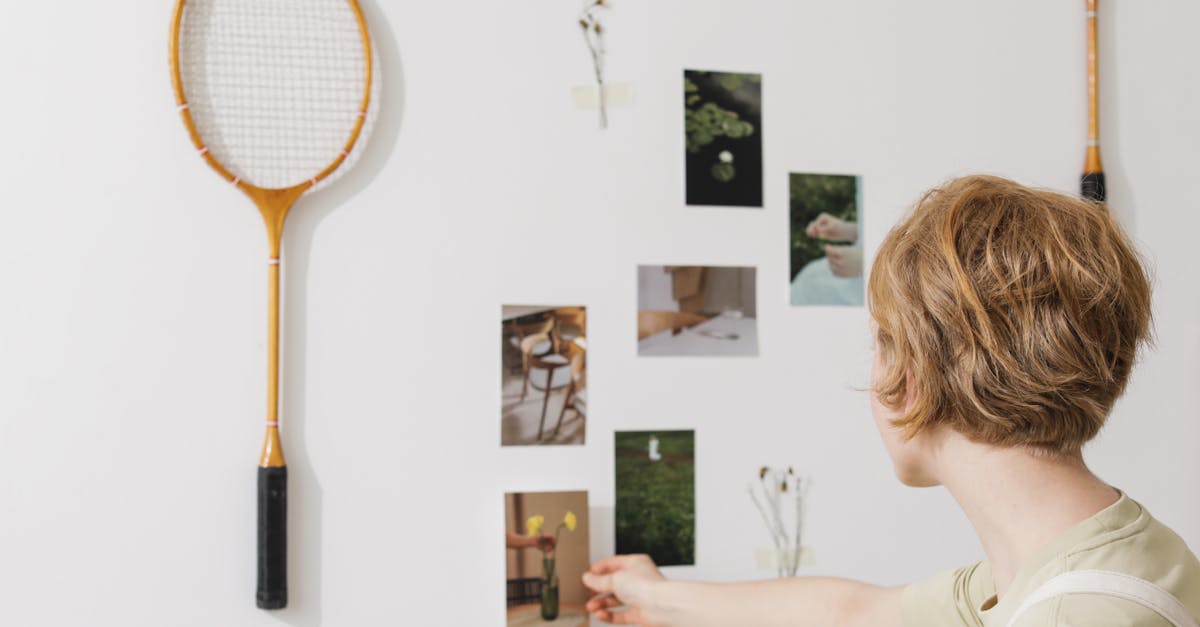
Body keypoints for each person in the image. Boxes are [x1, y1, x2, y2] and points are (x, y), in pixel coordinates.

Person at [581, 175, 1200, 626]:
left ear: (914, 372)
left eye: (881, 342)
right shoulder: (1085, 553)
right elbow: (852, 611)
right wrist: (656, 596)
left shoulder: (1075, 613)